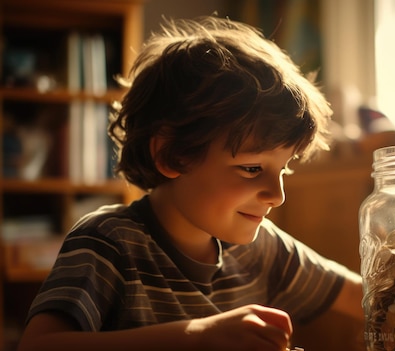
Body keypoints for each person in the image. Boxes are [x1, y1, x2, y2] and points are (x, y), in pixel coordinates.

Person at [17, 15, 364, 351]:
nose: (277, 196)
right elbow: (38, 346)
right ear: (172, 156)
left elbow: (360, 296)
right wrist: (197, 336)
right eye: (252, 168)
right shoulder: (108, 243)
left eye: (283, 169)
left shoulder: (263, 248)